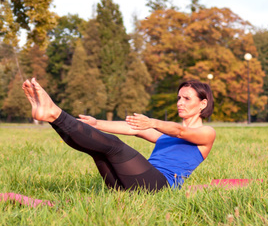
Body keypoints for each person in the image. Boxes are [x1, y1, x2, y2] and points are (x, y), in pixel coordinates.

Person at [21, 77, 216, 191]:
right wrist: (97, 124)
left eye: (186, 98)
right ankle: (53, 119)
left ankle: (55, 113)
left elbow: (181, 131)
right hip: (128, 182)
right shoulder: (165, 136)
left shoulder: (206, 133)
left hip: (160, 186)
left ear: (203, 103)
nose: (179, 102)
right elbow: (131, 127)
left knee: (115, 146)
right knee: (96, 149)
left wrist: (153, 122)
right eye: (179, 98)